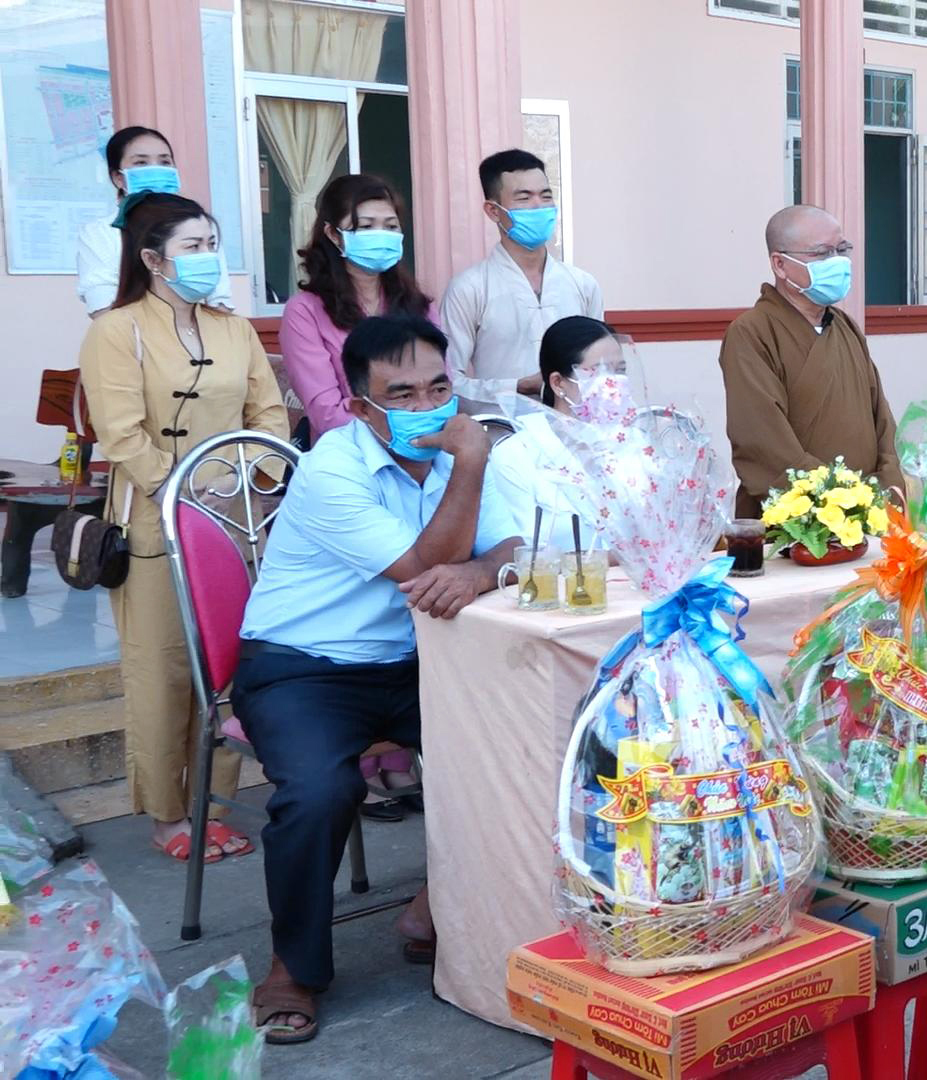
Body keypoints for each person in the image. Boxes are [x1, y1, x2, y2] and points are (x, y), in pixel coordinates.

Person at [231, 314, 521, 1043]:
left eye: (439, 389)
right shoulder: (334, 468)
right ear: (362, 407)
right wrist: (472, 468)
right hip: (305, 667)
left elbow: (516, 546)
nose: (429, 407)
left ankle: (432, 907)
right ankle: (292, 968)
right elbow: (423, 567)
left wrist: (482, 570)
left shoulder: (454, 450)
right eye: (404, 395)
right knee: (318, 791)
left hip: (421, 661)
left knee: (524, 741)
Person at [77, 193, 288, 864]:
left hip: (238, 521)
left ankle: (214, 805)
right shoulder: (117, 331)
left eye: (212, 244)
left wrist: (244, 477)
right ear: (152, 259)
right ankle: (169, 813)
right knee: (163, 670)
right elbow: (120, 432)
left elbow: (269, 415)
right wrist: (184, 486)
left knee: (231, 667)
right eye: (193, 247)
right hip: (154, 524)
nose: (208, 258)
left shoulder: (234, 329)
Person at [719, 204, 904, 518]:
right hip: (799, 526)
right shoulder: (751, 333)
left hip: (869, 518)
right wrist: (844, 506)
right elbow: (763, 444)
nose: (837, 262)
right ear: (780, 264)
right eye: (822, 253)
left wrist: (884, 490)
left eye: (841, 250)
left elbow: (882, 421)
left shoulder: (845, 327)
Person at [279, 173, 437, 442]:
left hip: (425, 449)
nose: (381, 235)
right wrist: (404, 426)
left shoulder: (419, 306)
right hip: (349, 452)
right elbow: (326, 413)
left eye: (390, 226)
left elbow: (442, 387)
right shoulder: (304, 312)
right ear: (333, 235)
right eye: (366, 226)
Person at [440, 149, 603, 408]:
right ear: (493, 211)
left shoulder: (583, 284)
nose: (539, 206)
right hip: (502, 427)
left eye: (546, 196)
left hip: (574, 427)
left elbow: (601, 367)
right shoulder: (469, 288)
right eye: (524, 198)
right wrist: (517, 386)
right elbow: (448, 382)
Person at [487, 315, 624, 550]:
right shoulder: (515, 455)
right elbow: (526, 554)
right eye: (597, 372)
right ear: (558, 383)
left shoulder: (632, 443)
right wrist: (613, 559)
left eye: (620, 371)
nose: (613, 383)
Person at [77, 126, 233, 316]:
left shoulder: (201, 226)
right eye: (141, 162)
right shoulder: (100, 233)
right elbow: (102, 308)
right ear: (118, 178)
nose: (156, 169)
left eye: (165, 162)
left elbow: (220, 300)